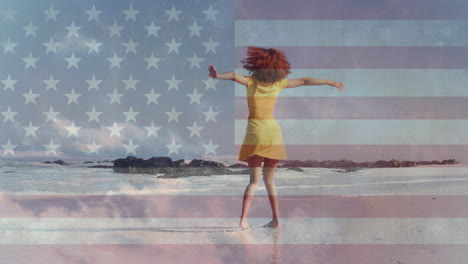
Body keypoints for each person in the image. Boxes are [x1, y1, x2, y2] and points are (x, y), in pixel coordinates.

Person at [208, 46, 345, 230]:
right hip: (273, 133)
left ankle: (243, 220)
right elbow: (304, 81)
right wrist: (330, 81)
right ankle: (276, 220)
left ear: (257, 64)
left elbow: (233, 75)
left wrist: (217, 76)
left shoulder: (251, 82)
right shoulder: (278, 84)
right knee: (270, 181)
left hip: (255, 134)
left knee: (254, 182)